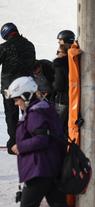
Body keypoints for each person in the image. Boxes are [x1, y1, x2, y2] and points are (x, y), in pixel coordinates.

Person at [0, 77, 91, 207]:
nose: (16, 103)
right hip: (48, 168)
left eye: (17, 99)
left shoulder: (36, 113)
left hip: (39, 169)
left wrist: (20, 147)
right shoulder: (41, 109)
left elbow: (42, 139)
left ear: (26, 95)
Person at [0, 22, 36, 155]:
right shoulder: (29, 45)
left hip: (9, 88)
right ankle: (30, 142)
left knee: (11, 116)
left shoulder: (4, 47)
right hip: (27, 86)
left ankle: (14, 144)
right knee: (28, 115)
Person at [53, 30, 76, 133]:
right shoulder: (76, 57)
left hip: (62, 99)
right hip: (74, 98)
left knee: (58, 126)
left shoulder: (61, 63)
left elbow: (59, 85)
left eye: (60, 42)